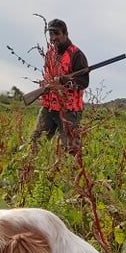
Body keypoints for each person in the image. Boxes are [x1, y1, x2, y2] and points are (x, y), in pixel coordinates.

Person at [31, 18, 89, 154]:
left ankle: (72, 174)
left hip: (69, 110)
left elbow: (83, 82)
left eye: (56, 33)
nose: (53, 38)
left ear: (65, 34)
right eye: (50, 34)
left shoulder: (77, 55)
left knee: (71, 150)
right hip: (49, 107)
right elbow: (47, 76)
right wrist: (45, 84)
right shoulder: (50, 54)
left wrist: (64, 83)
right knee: (35, 144)